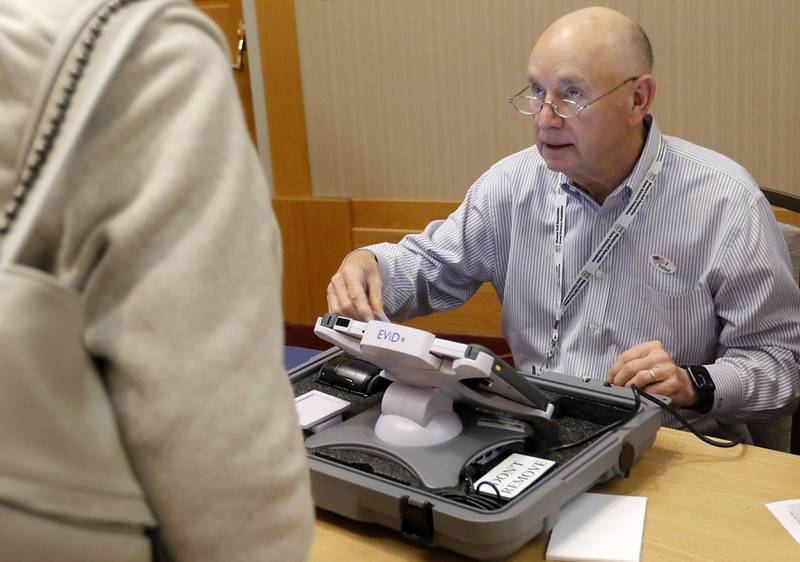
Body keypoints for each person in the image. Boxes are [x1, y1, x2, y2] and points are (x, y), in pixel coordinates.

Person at [327, 7, 800, 436]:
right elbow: (428, 267)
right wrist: (369, 264)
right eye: (537, 92)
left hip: (670, 448)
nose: (545, 119)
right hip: (537, 434)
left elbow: (783, 364)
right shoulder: (512, 184)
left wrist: (695, 383)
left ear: (639, 99)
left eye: (571, 95)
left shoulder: (725, 202)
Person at [0, 0, 313, 560]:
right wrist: (379, 260)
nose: (532, 113)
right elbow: (229, 493)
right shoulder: (145, 57)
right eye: (529, 93)